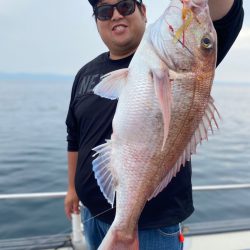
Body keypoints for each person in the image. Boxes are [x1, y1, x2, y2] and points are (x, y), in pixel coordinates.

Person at [64, 0, 244, 249]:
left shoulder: (184, 69)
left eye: (125, 6)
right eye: (104, 11)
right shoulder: (85, 73)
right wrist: (72, 188)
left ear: (144, 11)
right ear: (97, 21)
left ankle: (124, 225)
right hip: (91, 215)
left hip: (152, 228)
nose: (115, 15)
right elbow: (74, 135)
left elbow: (225, 11)